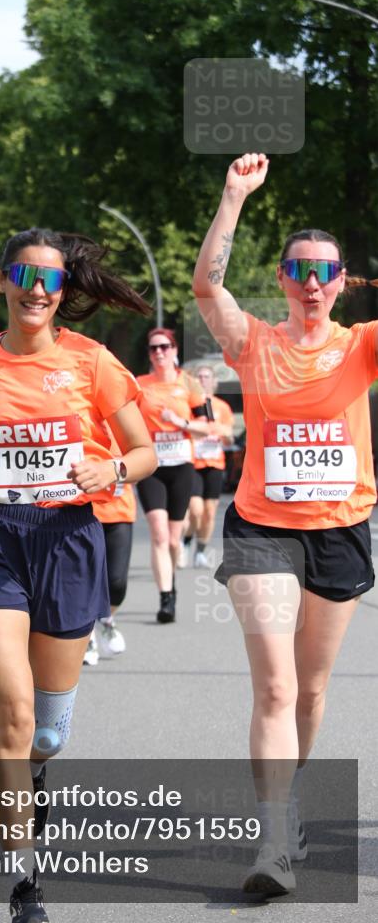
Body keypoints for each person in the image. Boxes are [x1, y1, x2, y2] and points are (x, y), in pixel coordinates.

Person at [0, 228, 156, 923]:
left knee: (47, 734)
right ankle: (25, 883)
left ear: (62, 292)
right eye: (23, 277)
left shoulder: (93, 363)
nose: (36, 290)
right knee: (13, 713)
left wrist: (110, 469)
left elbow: (146, 451)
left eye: (50, 281)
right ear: (1, 280)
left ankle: (36, 772)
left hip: (69, 538)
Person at [193, 152, 378, 897]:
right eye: (297, 269)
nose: (309, 282)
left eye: (323, 272)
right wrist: (234, 195)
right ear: (279, 279)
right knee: (272, 688)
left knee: (308, 692)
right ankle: (271, 842)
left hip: (339, 528)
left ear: (340, 283)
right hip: (261, 529)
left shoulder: (360, 345)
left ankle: (290, 801)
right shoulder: (254, 344)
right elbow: (207, 283)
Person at [135, 329, 215, 624]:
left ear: (174, 350)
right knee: (158, 532)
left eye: (164, 347)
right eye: (153, 348)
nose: (159, 352)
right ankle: (165, 598)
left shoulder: (190, 384)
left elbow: (206, 427)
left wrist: (178, 422)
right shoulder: (140, 385)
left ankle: (173, 580)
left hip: (181, 465)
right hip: (151, 466)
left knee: (172, 538)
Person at [85, 433, 136, 665]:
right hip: (80, 515)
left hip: (119, 513)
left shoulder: (124, 421)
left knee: (117, 584)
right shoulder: (78, 413)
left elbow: (144, 459)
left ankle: (106, 619)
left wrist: (114, 471)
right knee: (83, 582)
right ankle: (86, 639)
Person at [180, 364, 235, 568]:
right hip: (193, 462)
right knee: (195, 510)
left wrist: (223, 432)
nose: (203, 380)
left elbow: (229, 440)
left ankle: (200, 552)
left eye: (207, 377)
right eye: (199, 377)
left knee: (209, 512)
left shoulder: (222, 407)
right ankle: (185, 541)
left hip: (215, 462)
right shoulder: (189, 406)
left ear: (214, 382)